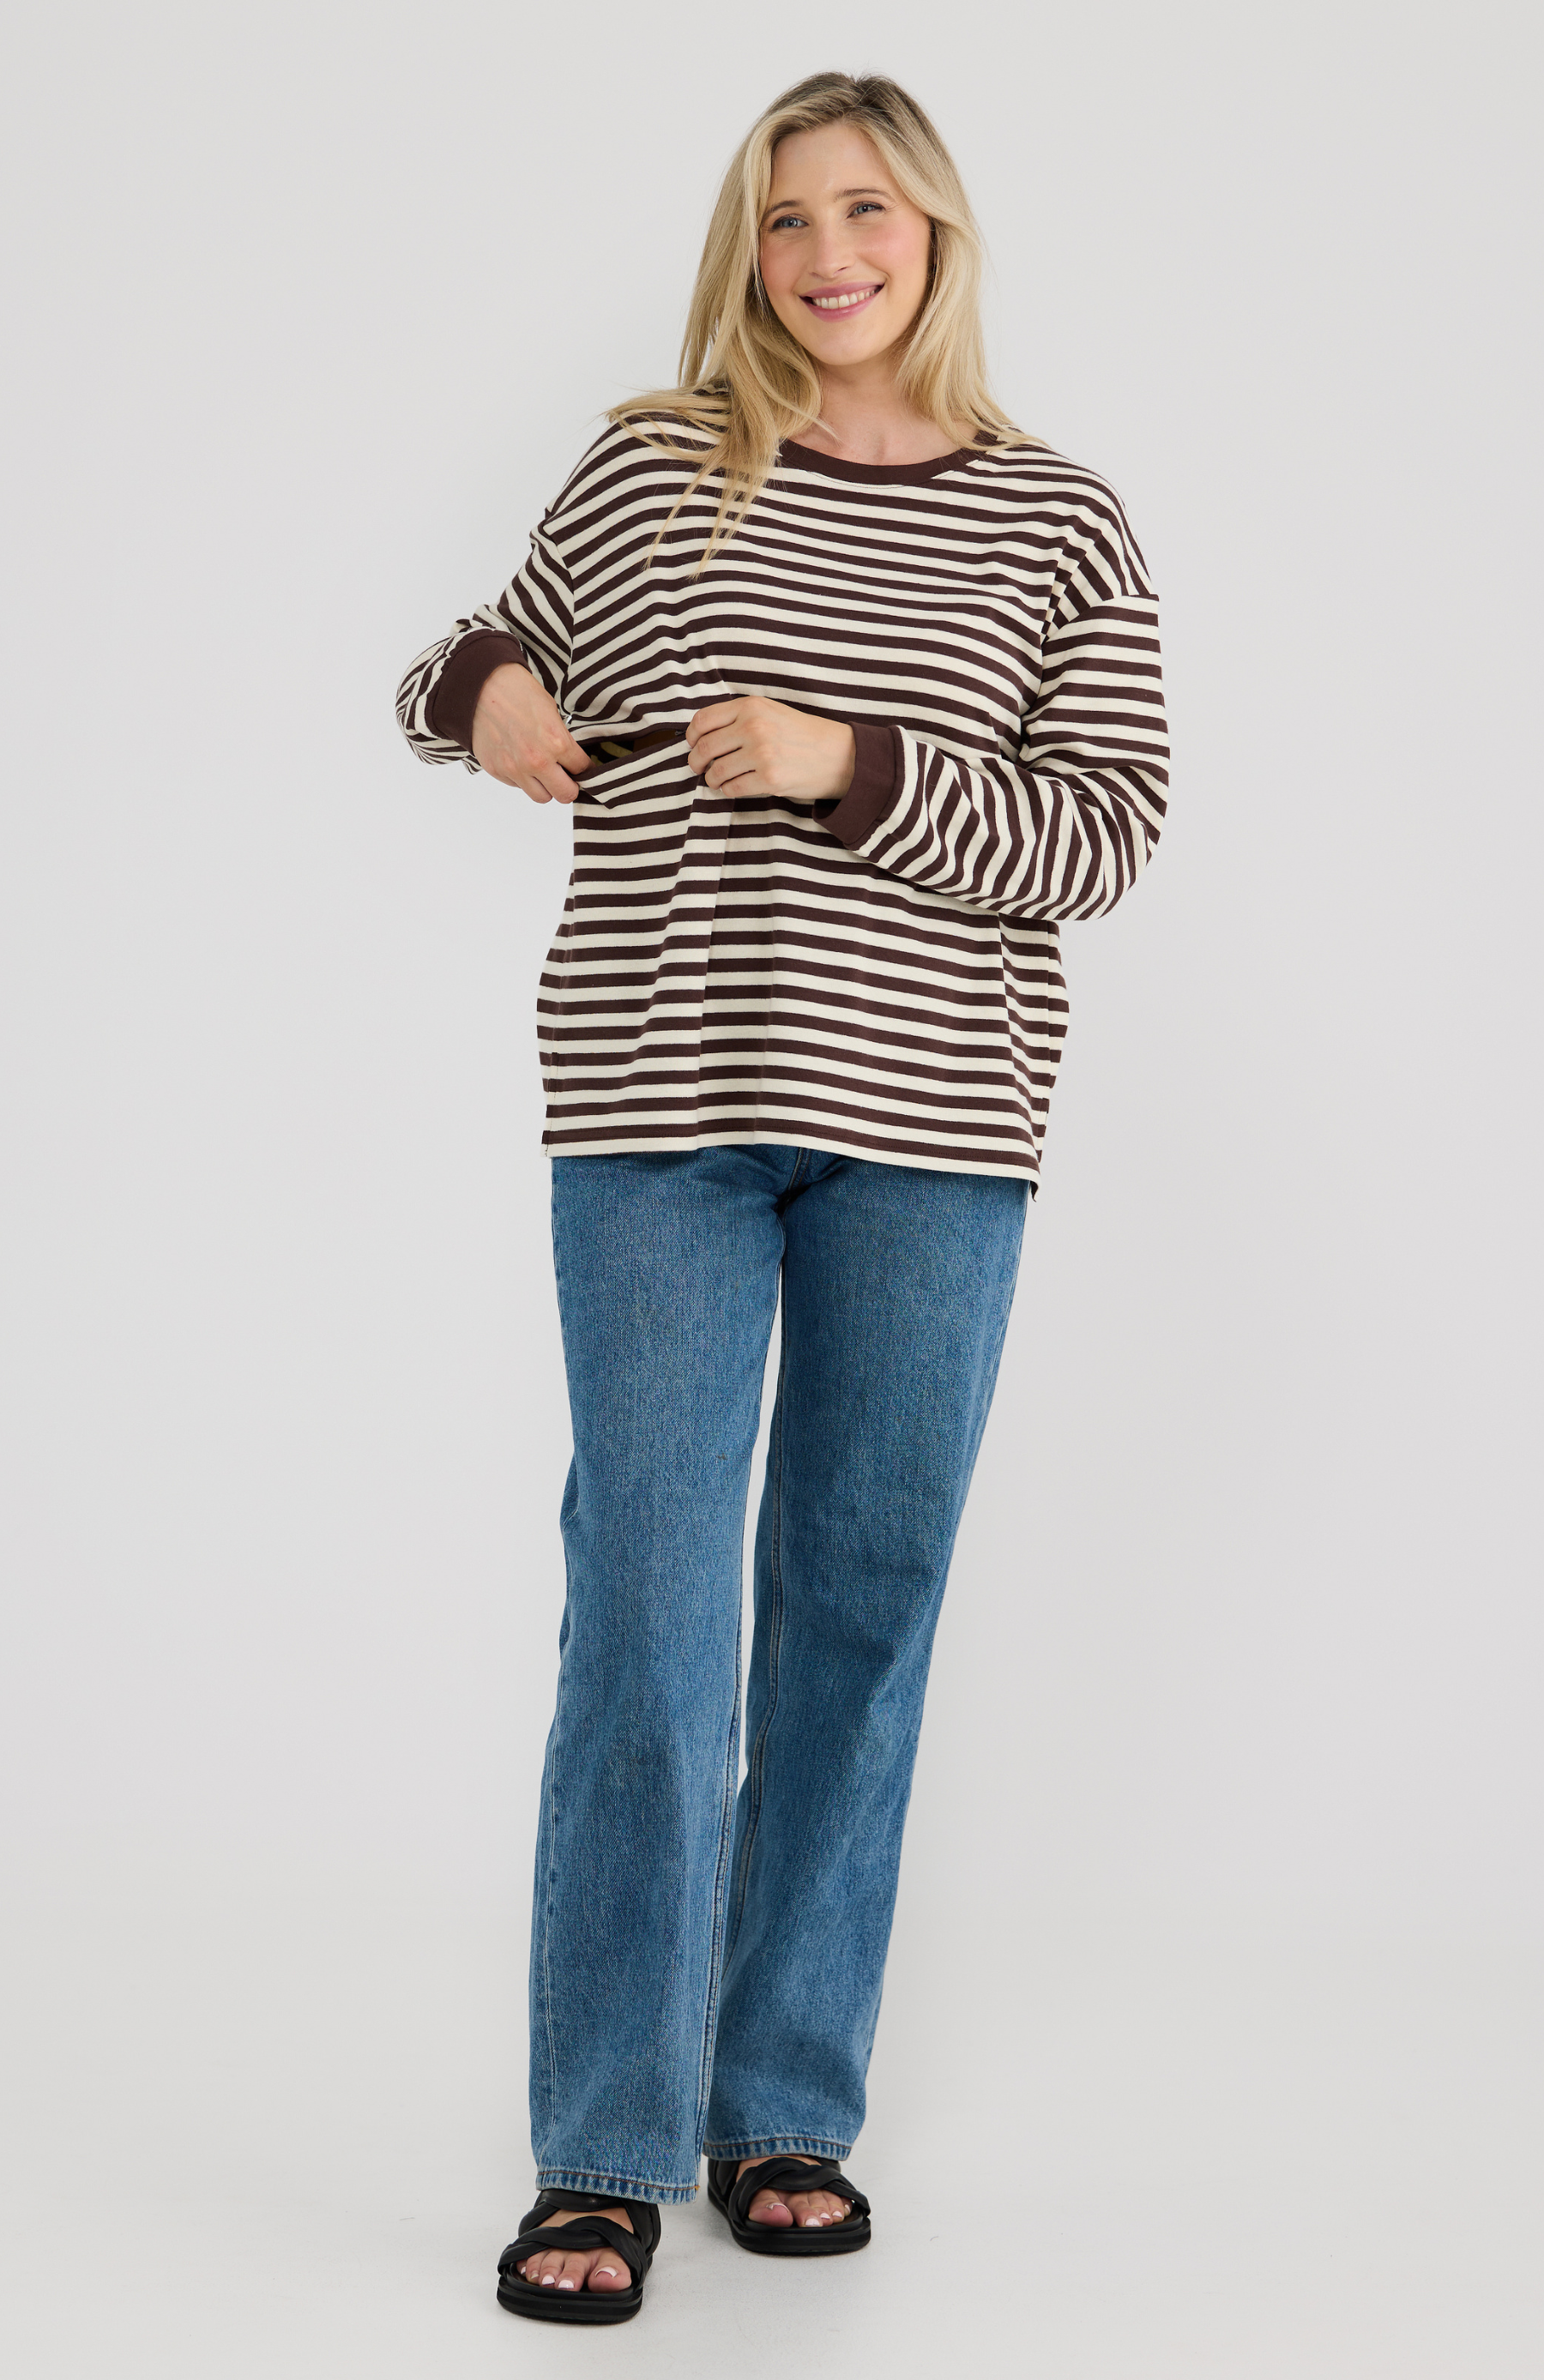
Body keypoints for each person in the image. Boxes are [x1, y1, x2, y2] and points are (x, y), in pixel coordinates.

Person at [395, 68, 1168, 2327]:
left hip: (936, 1129)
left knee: (854, 1593)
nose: (828, 253)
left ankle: (781, 2101)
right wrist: (497, 693)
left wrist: (854, 764)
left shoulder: (1061, 524)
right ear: (750, 254)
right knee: (646, 1605)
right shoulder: (657, 464)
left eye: (866, 209)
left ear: (934, 232)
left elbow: (1104, 834)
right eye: (785, 219)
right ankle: (606, 2142)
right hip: (655, 1103)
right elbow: (449, 668)